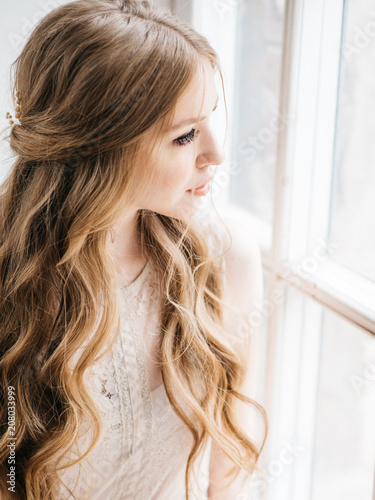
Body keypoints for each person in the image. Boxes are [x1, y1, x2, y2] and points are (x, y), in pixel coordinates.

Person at [0, 0, 268, 498]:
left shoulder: (226, 257)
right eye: (185, 135)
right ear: (104, 148)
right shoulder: (10, 279)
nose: (216, 153)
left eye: (210, 119)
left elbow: (227, 472)